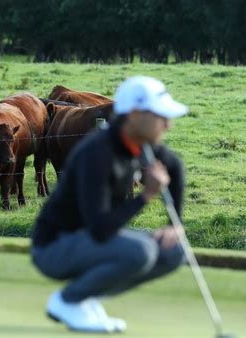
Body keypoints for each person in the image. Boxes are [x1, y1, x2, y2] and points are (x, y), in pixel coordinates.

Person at [31, 76, 188, 333]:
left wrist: (175, 224)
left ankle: (87, 298)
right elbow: (101, 228)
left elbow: (175, 167)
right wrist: (146, 195)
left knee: (174, 251)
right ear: (136, 115)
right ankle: (68, 300)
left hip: (91, 241)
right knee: (142, 252)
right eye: (161, 116)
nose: (168, 124)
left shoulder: (139, 144)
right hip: (54, 247)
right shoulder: (98, 153)